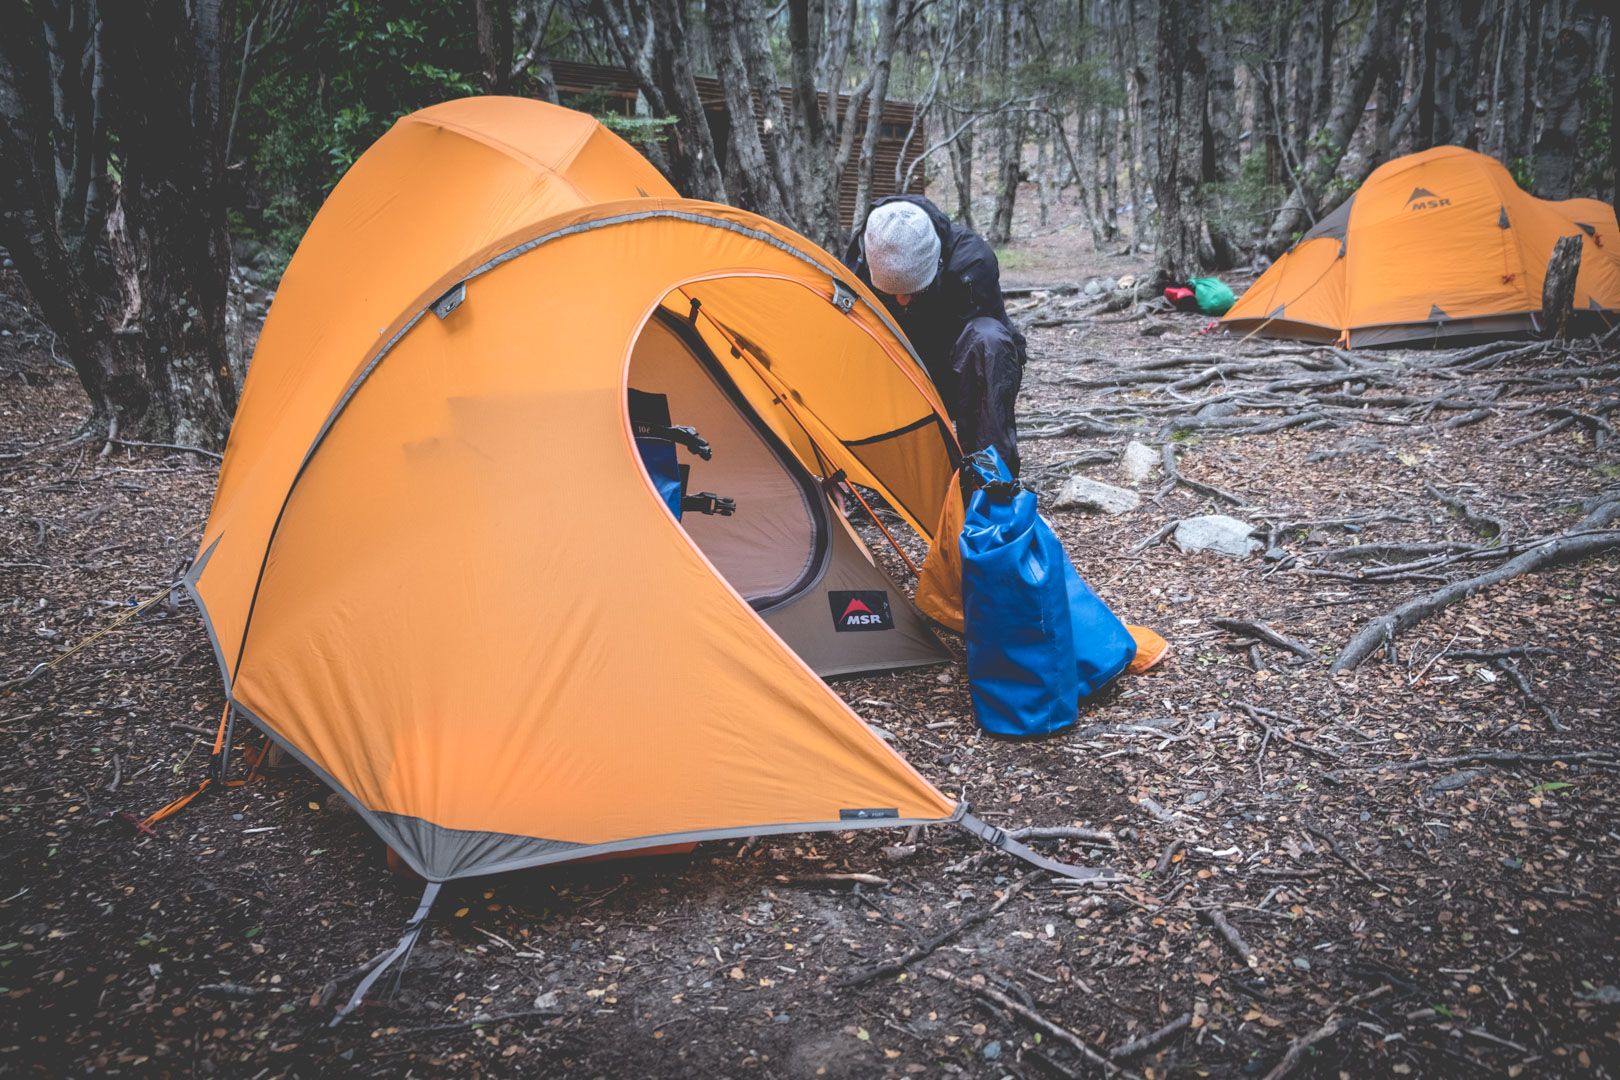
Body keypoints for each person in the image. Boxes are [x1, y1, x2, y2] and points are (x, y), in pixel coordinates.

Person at [844, 196, 1028, 474]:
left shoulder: (972, 264)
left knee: (989, 342)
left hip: (953, 377)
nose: (903, 301)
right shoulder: (860, 259)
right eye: (891, 293)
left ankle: (990, 479)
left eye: (914, 291)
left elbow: (995, 364)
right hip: (897, 378)